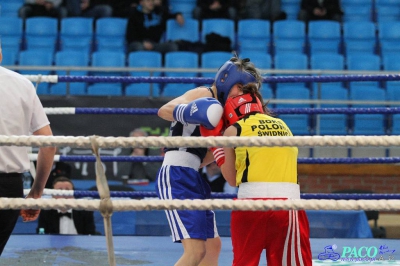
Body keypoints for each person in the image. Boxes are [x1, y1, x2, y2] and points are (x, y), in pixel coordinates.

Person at [200, 60, 312, 265]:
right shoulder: (283, 125)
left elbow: (231, 180)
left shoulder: (234, 130)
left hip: (250, 206)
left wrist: (216, 145)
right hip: (288, 208)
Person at [156, 54, 259, 265]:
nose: (241, 95)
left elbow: (204, 156)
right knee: (195, 251)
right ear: (228, 80)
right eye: (241, 88)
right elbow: (164, 110)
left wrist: (226, 144)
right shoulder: (204, 93)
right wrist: (192, 112)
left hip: (192, 175)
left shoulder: (225, 114)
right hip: (176, 174)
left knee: (213, 246)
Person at [0, 46, 56, 255]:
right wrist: (36, 192)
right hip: (8, 186)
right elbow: (48, 144)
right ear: (0, 54)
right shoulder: (22, 85)